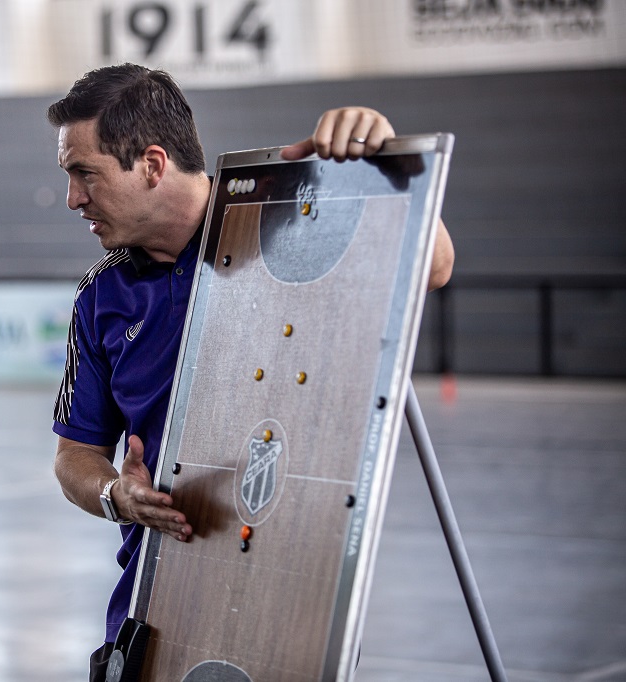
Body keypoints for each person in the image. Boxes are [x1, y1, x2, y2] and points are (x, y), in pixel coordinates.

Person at [47, 63, 455, 680]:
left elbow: (435, 265)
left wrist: (381, 163)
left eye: (86, 174)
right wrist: (116, 496)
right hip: (156, 605)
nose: (74, 198)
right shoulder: (101, 297)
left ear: (152, 165)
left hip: (289, 600)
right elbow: (75, 456)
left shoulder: (287, 222)